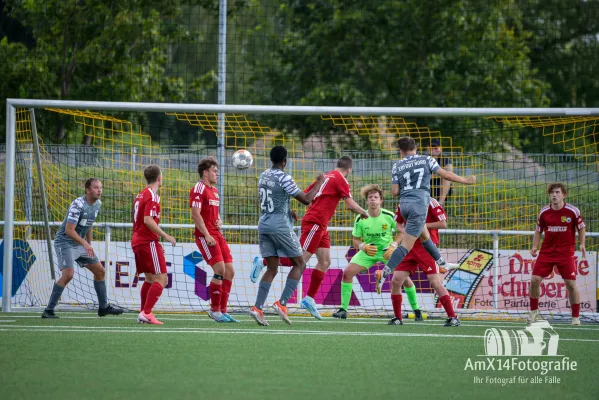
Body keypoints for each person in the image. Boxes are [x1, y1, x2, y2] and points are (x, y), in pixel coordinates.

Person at [250, 156, 368, 320]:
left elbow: (306, 194)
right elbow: (350, 204)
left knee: (325, 261)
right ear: (349, 170)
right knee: (300, 261)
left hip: (321, 224)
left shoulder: (327, 176)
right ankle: (263, 263)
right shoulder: (341, 179)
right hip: (315, 222)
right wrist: (364, 212)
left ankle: (309, 298)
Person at [376, 136, 475, 292]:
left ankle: (442, 263)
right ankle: (384, 273)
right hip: (419, 205)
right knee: (405, 247)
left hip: (404, 206)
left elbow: (394, 192)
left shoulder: (397, 165)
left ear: (401, 151)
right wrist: (466, 180)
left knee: (424, 235)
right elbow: (447, 175)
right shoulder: (427, 159)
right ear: (415, 147)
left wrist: (408, 187)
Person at [249, 146, 324, 326]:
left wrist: (287, 210)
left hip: (264, 224)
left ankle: (258, 307)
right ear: (285, 161)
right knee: (300, 263)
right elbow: (306, 199)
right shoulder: (284, 177)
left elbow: (273, 198)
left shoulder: (263, 175)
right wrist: (319, 183)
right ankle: (282, 304)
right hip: (279, 226)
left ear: (270, 159)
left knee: (272, 268)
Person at [42, 178, 123, 318]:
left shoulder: (97, 204)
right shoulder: (77, 204)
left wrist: (88, 244)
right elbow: (69, 230)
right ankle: (48, 310)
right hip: (65, 242)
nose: (100, 190)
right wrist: (84, 243)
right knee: (68, 275)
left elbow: (89, 223)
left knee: (100, 271)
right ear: (88, 190)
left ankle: (103, 308)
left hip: (80, 244)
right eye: (96, 187)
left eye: (101, 187)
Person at [331, 184, 415, 320]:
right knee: (347, 273)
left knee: (404, 278)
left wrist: (393, 245)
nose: (373, 200)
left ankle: (416, 309)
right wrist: (363, 246)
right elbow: (355, 240)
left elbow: (402, 232)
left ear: (381, 200)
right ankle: (343, 309)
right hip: (368, 252)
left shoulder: (389, 216)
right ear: (366, 201)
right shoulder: (360, 218)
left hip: (388, 251)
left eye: (376, 197)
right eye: (370, 197)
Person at [387, 197, 460, 326]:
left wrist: (421, 226)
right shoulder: (403, 202)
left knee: (435, 282)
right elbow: (398, 224)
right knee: (396, 280)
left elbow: (443, 223)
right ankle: (398, 318)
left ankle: (453, 317)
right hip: (408, 247)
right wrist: (407, 231)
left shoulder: (430, 201)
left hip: (426, 247)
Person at [529, 183, 586, 326]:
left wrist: (582, 244)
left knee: (571, 284)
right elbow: (538, 230)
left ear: (564, 195)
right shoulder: (544, 212)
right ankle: (533, 312)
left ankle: (575, 317)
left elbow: (581, 228)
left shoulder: (573, 211)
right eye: (552, 193)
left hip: (566, 254)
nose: (554, 195)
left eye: (557, 192)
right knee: (535, 280)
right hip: (547, 253)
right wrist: (535, 246)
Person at [191, 157, 238, 323]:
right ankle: (214, 310)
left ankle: (223, 310)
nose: (217, 174)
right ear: (205, 173)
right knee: (220, 269)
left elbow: (214, 215)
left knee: (230, 271)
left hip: (217, 234)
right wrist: (207, 235)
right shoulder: (198, 188)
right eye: (214, 171)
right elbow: (196, 215)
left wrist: (219, 221)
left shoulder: (215, 191)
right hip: (206, 235)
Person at [132, 165, 177, 325]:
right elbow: (147, 220)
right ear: (159, 178)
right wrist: (165, 236)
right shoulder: (151, 196)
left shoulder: (141, 195)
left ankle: (143, 312)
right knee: (162, 279)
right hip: (146, 241)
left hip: (138, 241)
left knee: (150, 278)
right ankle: (147, 312)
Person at [428, 138, 453, 205]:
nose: (433, 150)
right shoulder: (424, 158)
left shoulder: (445, 159)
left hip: (441, 189)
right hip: (427, 188)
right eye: (431, 148)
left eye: (436, 148)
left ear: (440, 148)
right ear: (428, 149)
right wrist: (441, 173)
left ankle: (440, 203)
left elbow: (449, 172)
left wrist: (432, 175)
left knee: (448, 177)